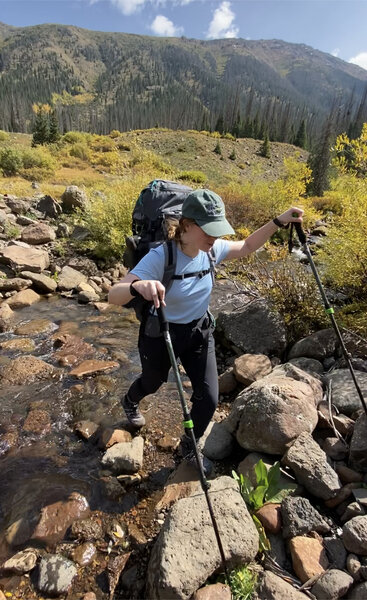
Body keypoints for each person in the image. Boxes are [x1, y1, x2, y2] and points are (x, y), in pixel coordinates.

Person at [108, 189, 303, 474]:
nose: (214, 237)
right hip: (161, 335)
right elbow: (114, 295)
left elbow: (248, 246)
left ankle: (188, 444)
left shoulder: (211, 251)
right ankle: (130, 400)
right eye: (209, 230)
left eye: (218, 230)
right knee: (153, 382)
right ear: (187, 226)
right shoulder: (161, 256)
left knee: (209, 398)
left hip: (199, 332)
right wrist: (138, 286)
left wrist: (278, 221)